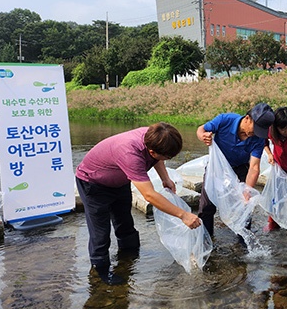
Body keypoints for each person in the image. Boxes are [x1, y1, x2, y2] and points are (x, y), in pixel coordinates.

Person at [75, 122, 200, 285]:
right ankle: (100, 271)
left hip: (119, 181)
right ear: (152, 151)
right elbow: (149, 195)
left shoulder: (155, 136)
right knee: (100, 232)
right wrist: (183, 215)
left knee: (125, 223)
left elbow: (157, 159)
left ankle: (129, 258)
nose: (168, 160)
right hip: (93, 183)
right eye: (167, 157)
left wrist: (165, 178)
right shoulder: (130, 153)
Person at [196, 102, 275, 237]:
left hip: (240, 168)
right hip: (217, 168)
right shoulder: (225, 120)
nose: (255, 134)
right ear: (247, 118)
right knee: (207, 205)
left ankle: (243, 240)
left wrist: (247, 190)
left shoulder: (257, 139)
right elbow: (201, 129)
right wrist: (203, 136)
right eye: (255, 129)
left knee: (245, 205)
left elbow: (254, 167)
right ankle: (206, 238)